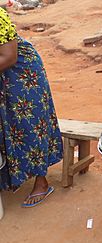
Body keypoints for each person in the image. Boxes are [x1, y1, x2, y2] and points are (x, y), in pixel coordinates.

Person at [0, 7, 63, 207]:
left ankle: (41, 182)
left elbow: (9, 56)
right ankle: (12, 177)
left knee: (30, 125)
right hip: (3, 74)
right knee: (7, 125)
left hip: (22, 73)